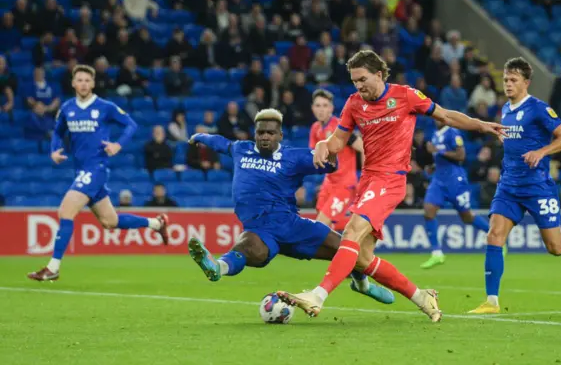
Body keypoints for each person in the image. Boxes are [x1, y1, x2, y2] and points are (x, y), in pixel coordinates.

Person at [277, 50, 506, 322]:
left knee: (351, 231)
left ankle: (318, 295)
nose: (358, 85)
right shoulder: (353, 104)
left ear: (379, 74)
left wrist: (481, 125)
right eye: (354, 81)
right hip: (368, 181)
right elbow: (339, 141)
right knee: (362, 258)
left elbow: (445, 116)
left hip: (391, 179)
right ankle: (422, 297)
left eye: (362, 79)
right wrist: (325, 145)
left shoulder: (406, 96)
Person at [186, 108, 394, 305]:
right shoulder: (242, 149)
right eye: (261, 132)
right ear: (255, 134)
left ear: (280, 136)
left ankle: (362, 285)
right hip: (260, 229)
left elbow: (329, 164)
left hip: (292, 226)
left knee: (348, 250)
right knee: (248, 248)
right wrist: (200, 137)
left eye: (270, 132)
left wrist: (330, 156)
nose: (265, 136)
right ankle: (217, 267)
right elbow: (220, 142)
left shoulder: (294, 157)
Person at [468, 57, 561, 314]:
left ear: (526, 82)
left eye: (513, 80)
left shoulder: (538, 108)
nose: (508, 84)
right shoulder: (506, 110)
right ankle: (491, 301)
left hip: (538, 187)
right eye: (505, 80)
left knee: (555, 247)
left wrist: (541, 152)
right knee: (494, 235)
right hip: (509, 187)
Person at [27, 65, 169, 282]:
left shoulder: (105, 107)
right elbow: (57, 132)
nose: (83, 83)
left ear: (93, 83)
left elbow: (130, 125)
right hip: (81, 171)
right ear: (73, 83)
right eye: (79, 80)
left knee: (65, 211)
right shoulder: (67, 108)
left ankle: (53, 267)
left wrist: (118, 145)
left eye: (87, 80)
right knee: (110, 221)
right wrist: (54, 149)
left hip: (96, 169)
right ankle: (157, 224)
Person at [420, 119, 490, 269]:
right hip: (439, 179)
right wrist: (433, 166)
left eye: (439, 117)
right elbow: (440, 158)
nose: (437, 120)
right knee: (428, 212)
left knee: (467, 217)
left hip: (455, 181)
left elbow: (461, 155)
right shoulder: (434, 134)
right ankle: (437, 253)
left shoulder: (452, 132)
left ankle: (495, 236)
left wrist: (438, 151)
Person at [309, 89, 364, 232]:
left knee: (320, 224)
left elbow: (363, 147)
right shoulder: (315, 128)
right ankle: (345, 250)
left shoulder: (340, 127)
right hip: (328, 182)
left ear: (331, 108)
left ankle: (352, 245)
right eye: (318, 105)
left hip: (344, 185)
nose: (321, 109)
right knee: (325, 225)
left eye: (325, 105)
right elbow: (313, 155)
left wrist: (366, 175)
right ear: (312, 108)